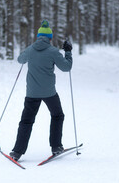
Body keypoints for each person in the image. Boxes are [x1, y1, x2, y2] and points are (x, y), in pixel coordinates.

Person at [10, 20, 73, 161]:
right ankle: (56, 147)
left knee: (26, 121)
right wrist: (68, 52)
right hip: (49, 92)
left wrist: (26, 53)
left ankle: (17, 152)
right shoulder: (53, 51)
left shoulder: (31, 49)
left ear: (38, 36)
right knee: (57, 115)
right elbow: (66, 67)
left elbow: (20, 60)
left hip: (31, 93)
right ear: (50, 38)